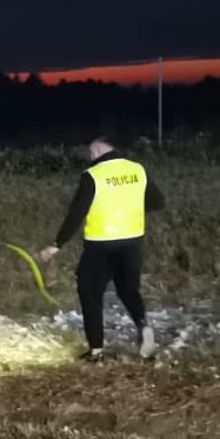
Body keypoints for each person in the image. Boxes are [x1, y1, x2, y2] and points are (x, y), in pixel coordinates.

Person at [38, 138, 165, 359]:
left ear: (98, 150)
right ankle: (144, 326)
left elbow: (76, 213)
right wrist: (128, 206)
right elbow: (157, 202)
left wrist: (57, 244)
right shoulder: (137, 169)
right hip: (132, 242)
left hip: (101, 246)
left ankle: (96, 351)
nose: (90, 156)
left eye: (90, 151)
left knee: (89, 292)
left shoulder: (93, 175)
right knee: (128, 290)